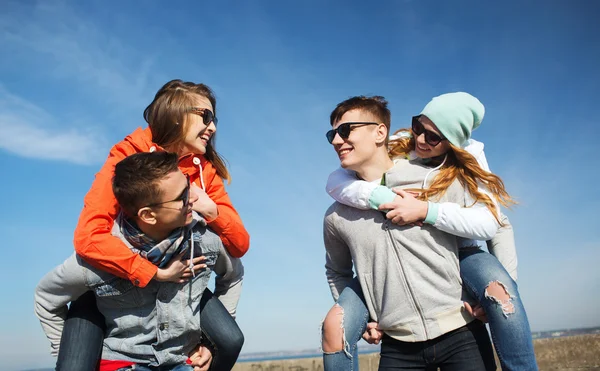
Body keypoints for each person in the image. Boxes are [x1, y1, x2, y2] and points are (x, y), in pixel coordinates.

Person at [324, 95, 537, 370]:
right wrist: (363, 318)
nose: (336, 141)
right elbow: (337, 270)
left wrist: (426, 211)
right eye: (332, 134)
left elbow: (497, 223)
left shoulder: (440, 176)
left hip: (461, 329)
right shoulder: (336, 213)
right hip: (397, 344)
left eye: (345, 131)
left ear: (379, 132)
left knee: (504, 297)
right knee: (333, 324)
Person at [53, 79, 250, 370]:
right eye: (205, 116)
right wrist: (153, 273)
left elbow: (239, 244)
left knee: (230, 341)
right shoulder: (127, 157)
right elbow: (88, 237)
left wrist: (210, 209)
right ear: (176, 114)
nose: (213, 127)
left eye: (215, 118)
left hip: (180, 282)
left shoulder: (204, 170)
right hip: (116, 282)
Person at [35, 151, 243, 371]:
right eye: (182, 197)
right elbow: (46, 298)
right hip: (123, 363)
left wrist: (210, 344)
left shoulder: (205, 241)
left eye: (189, 186)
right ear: (148, 215)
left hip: (181, 361)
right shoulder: (101, 259)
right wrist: (65, 354)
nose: (193, 198)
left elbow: (233, 276)